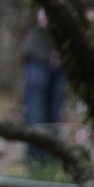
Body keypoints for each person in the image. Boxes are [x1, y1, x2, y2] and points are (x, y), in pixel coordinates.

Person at [21, 9, 66, 163]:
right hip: (38, 55)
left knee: (55, 111)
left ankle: (53, 158)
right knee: (35, 111)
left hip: (63, 58)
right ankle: (35, 159)